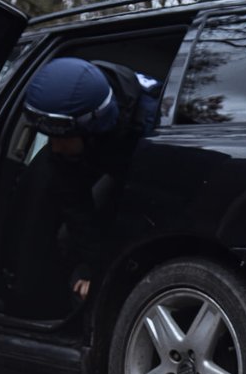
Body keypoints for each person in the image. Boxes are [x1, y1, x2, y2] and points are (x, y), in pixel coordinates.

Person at [21, 56, 159, 303]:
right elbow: (76, 206)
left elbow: (143, 212)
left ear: (92, 128)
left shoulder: (149, 128)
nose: (56, 147)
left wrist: (107, 272)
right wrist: (92, 266)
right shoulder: (70, 122)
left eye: (62, 139)